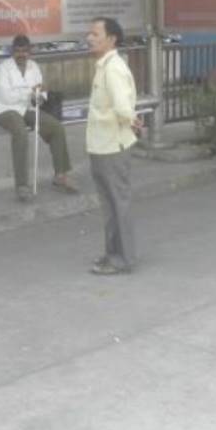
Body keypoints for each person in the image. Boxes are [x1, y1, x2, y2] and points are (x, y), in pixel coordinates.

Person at [0, 34, 77, 202]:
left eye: (24, 51)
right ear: (12, 51)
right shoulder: (2, 69)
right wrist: (31, 93)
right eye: (17, 51)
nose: (21, 54)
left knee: (56, 127)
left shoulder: (34, 67)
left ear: (30, 52)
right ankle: (22, 185)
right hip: (3, 110)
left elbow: (40, 92)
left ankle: (60, 175)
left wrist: (40, 96)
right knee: (20, 132)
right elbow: (7, 97)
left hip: (26, 108)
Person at [85, 16, 141, 274]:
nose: (90, 38)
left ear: (111, 39)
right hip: (101, 145)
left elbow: (122, 107)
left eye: (96, 34)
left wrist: (131, 120)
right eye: (90, 34)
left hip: (112, 146)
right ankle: (112, 255)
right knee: (109, 206)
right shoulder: (103, 66)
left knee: (118, 204)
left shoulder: (114, 68)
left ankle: (123, 259)